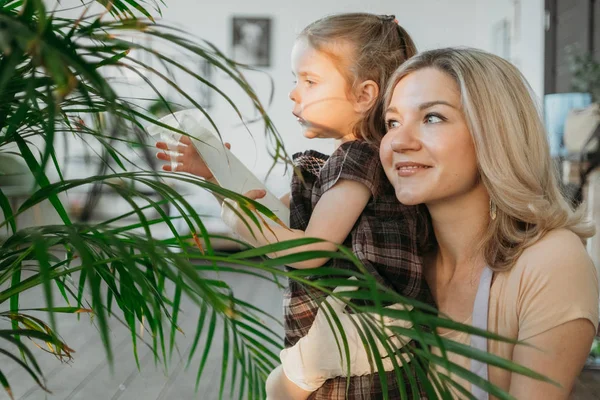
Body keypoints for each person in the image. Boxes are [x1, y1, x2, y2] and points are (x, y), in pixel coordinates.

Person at [268, 47, 600, 399]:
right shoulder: (391, 254)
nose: (399, 141)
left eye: (433, 118)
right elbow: (276, 392)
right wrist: (306, 366)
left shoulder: (548, 262)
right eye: (392, 122)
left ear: (495, 133)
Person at [156, 13, 432, 399]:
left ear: (364, 95)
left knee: (281, 388)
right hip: (347, 332)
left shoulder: (361, 159)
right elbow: (276, 215)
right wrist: (216, 176)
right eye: (295, 80)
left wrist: (241, 217)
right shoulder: (331, 164)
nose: (294, 93)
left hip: (362, 330)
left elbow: (309, 252)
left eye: (310, 81)